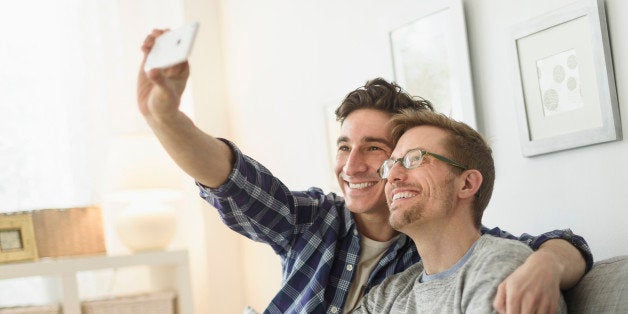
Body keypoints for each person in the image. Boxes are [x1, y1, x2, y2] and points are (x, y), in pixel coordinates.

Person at [137, 29, 591, 313]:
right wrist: (165, 116)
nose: (352, 166)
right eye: (343, 147)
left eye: (376, 149)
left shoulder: (442, 246)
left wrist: (546, 265)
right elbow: (233, 181)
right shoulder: (314, 219)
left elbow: (562, 246)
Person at [353, 110, 568, 313]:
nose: (392, 176)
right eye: (390, 165)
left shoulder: (501, 265)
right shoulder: (387, 295)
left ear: (466, 184)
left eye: (415, 159)